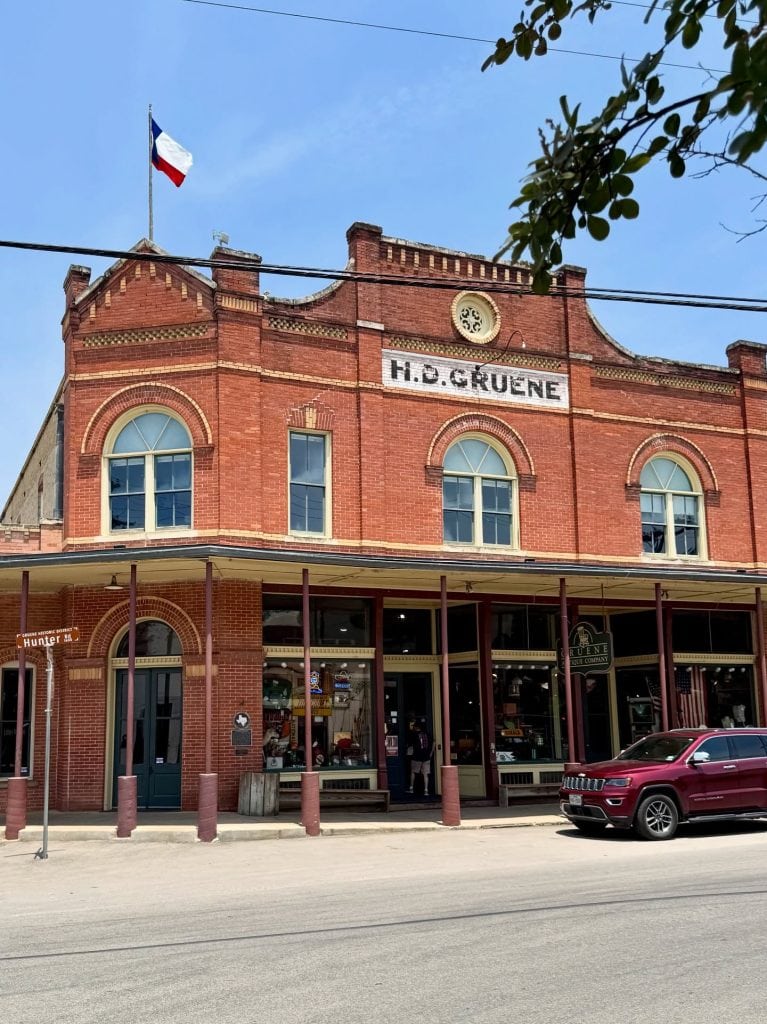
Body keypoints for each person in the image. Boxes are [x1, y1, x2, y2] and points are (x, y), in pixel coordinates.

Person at [407, 718, 434, 797]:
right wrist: (431, 753)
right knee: (425, 774)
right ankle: (426, 790)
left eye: (414, 727)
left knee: (413, 772)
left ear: (416, 727)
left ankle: (411, 789)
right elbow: (434, 743)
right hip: (426, 756)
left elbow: (410, 744)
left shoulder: (414, 734)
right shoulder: (428, 734)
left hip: (417, 756)